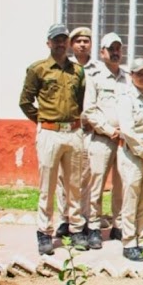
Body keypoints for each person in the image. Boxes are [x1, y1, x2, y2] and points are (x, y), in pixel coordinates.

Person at [19, 23, 88, 254]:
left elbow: (79, 99)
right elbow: (25, 102)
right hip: (49, 133)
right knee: (47, 186)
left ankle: (77, 230)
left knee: (74, 185)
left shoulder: (77, 71)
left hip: (74, 132)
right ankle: (44, 233)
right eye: (56, 40)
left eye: (63, 40)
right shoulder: (38, 69)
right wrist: (43, 120)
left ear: (68, 43)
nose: (60, 43)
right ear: (49, 43)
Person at [82, 32, 130, 249]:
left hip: (124, 140)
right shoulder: (94, 77)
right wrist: (109, 130)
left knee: (121, 184)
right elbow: (89, 110)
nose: (115, 52)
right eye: (111, 49)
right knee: (97, 183)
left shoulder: (127, 77)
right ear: (102, 52)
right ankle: (93, 225)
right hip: (102, 138)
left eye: (118, 48)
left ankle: (118, 225)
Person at [55, 26, 99, 238]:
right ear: (71, 45)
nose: (82, 44)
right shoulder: (65, 67)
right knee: (64, 178)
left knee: (85, 177)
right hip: (67, 130)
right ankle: (64, 219)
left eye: (87, 40)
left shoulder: (98, 70)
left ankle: (83, 219)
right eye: (78, 41)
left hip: (89, 130)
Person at [116, 58, 143, 261]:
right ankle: (129, 242)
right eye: (139, 73)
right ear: (131, 75)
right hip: (133, 153)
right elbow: (127, 131)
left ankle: (142, 240)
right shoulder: (126, 98)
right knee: (131, 198)